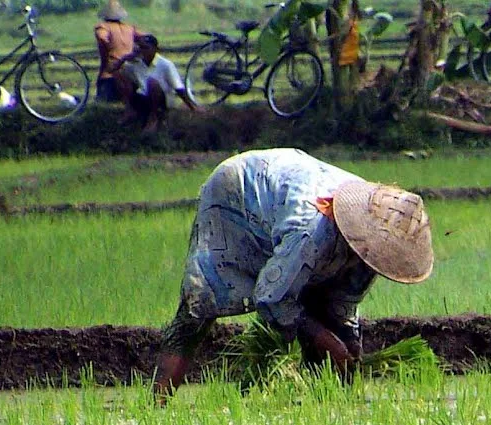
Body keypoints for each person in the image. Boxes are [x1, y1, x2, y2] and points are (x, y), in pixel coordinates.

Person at [154, 149, 434, 397]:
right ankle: (157, 404)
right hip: (238, 193)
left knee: (321, 314)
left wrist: (349, 350)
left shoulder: (372, 249)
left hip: (288, 205)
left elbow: (343, 306)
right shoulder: (309, 230)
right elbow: (270, 297)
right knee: (197, 310)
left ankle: (324, 404)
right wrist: (324, 339)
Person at [118, 34, 196, 132]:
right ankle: (129, 110)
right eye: (141, 48)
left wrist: (192, 107)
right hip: (144, 98)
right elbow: (111, 71)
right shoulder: (135, 63)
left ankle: (154, 117)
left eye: (146, 48)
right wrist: (123, 59)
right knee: (120, 75)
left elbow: (178, 87)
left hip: (162, 100)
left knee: (152, 83)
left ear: (155, 49)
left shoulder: (166, 64)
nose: (143, 51)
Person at [93, 0, 138, 103]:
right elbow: (146, 38)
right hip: (130, 75)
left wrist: (108, 45)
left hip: (110, 76)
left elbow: (101, 36)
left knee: (103, 102)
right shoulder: (130, 28)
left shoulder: (103, 27)